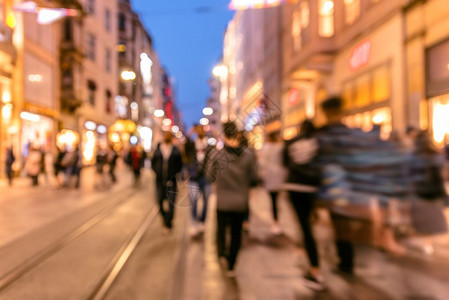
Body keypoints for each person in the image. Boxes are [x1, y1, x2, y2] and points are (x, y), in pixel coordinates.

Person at [206, 121, 258, 277]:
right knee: (236, 233)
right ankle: (232, 264)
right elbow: (255, 178)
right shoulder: (249, 155)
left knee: (221, 230)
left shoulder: (217, 155)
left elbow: (209, 176)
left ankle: (221, 254)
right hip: (241, 202)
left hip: (223, 202)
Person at [283, 120, 323, 290]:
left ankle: (311, 263)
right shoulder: (318, 143)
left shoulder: (291, 143)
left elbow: (285, 162)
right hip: (312, 188)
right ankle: (314, 268)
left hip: (294, 186)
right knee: (307, 225)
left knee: (303, 224)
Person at [152, 131, 183, 233]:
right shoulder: (158, 148)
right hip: (160, 181)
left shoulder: (175, 150)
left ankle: (168, 223)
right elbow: (153, 163)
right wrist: (157, 171)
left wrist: (174, 173)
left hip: (172, 181)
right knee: (159, 202)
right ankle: (166, 218)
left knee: (171, 203)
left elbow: (180, 165)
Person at [185, 125, 212, 236]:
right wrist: (189, 134)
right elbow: (185, 149)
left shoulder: (209, 145)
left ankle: (202, 221)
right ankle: (194, 223)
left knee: (206, 201)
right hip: (194, 177)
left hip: (206, 177)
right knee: (193, 202)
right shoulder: (192, 144)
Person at [259, 132, 287, 235]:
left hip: (270, 178)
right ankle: (277, 221)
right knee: (279, 200)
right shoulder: (281, 148)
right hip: (281, 177)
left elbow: (262, 163)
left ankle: (276, 222)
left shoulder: (266, 149)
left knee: (273, 200)